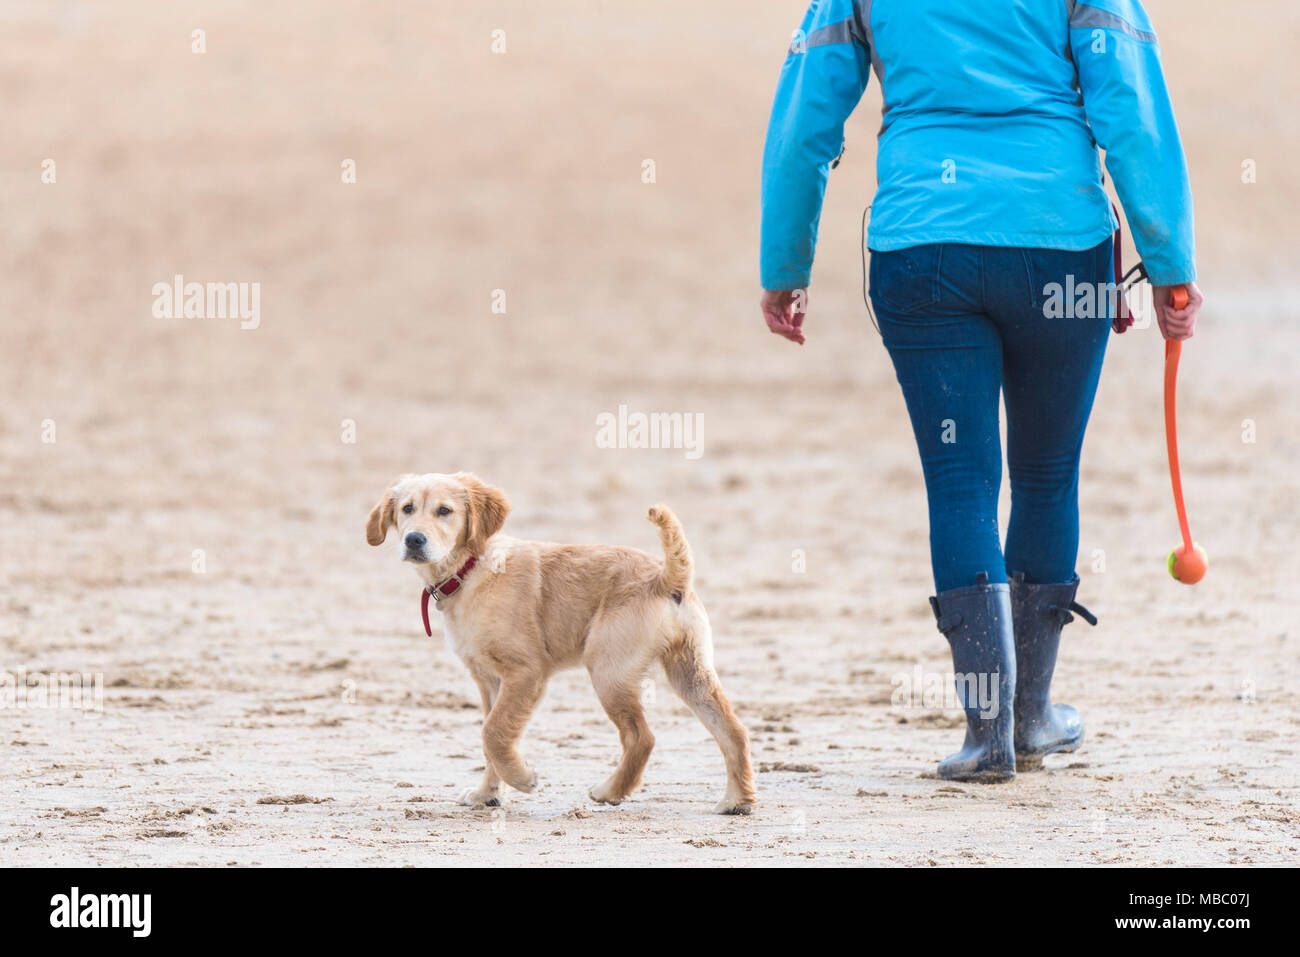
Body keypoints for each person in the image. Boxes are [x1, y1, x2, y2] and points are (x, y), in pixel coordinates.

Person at [758, 0, 1204, 781]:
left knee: (960, 483)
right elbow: (1129, 111)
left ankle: (986, 732)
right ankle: (1032, 715)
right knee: (1046, 474)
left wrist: (784, 265)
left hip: (924, 245)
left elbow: (804, 125)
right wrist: (1169, 261)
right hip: (1061, 247)